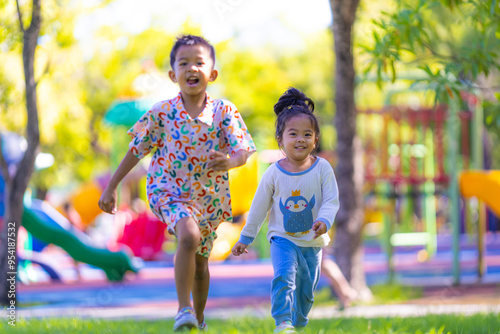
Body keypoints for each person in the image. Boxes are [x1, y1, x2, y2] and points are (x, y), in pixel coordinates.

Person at [98, 34, 256, 332]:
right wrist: (112, 186)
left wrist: (230, 161)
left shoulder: (224, 111)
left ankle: (198, 317)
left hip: (209, 198)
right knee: (187, 235)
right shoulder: (162, 112)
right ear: (173, 74)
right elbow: (137, 150)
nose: (191, 68)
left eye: (199, 62)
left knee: (200, 265)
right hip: (168, 191)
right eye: (184, 63)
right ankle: (183, 310)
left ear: (212, 73)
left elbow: (243, 151)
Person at [232, 87, 340, 333]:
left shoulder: (322, 168)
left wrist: (324, 220)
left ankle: (298, 323)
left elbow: (332, 200)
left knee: (306, 292)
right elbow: (259, 208)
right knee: (284, 276)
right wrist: (245, 238)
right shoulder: (273, 173)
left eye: (307, 134)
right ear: (281, 140)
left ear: (315, 140)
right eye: (293, 134)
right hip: (282, 239)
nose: (300, 139)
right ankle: (282, 322)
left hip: (312, 242)